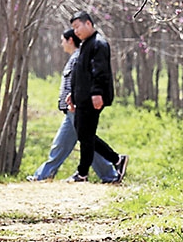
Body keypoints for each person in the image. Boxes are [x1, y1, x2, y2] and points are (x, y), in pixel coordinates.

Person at [27, 29, 120, 183]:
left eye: (62, 40)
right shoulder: (75, 57)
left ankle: (109, 173)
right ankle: (43, 175)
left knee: (85, 141)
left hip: (76, 108)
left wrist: (76, 101)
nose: (61, 44)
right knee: (67, 144)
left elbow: (81, 82)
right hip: (71, 109)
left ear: (70, 40)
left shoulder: (79, 56)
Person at [65, 11, 128, 184]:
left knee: (85, 134)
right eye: (73, 28)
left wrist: (97, 93)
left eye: (78, 26)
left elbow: (100, 72)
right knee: (85, 134)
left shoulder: (99, 44)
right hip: (83, 96)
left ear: (89, 24)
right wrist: (73, 93)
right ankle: (116, 160)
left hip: (93, 97)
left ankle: (82, 173)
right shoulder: (86, 44)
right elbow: (81, 72)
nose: (75, 31)